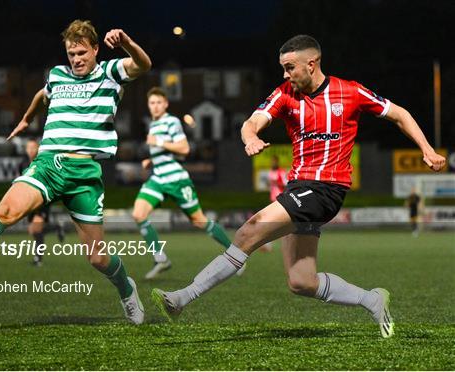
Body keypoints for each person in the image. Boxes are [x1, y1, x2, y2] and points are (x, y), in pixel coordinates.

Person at [151, 35, 446, 338]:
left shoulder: (350, 91)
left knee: (249, 230)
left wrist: (426, 148)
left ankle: (183, 298)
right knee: (301, 281)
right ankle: (372, 299)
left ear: (311, 63)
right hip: (299, 188)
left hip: (326, 190)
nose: (285, 74)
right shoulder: (285, 94)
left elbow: (399, 114)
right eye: (283, 68)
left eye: (290, 67)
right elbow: (251, 121)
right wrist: (250, 137)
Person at [0, 19, 151, 324]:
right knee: (7, 209)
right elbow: (41, 95)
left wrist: (125, 41)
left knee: (98, 258)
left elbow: (144, 64)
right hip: (47, 164)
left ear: (96, 49)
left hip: (84, 174)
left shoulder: (110, 72)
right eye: (71, 53)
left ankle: (127, 289)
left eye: (82, 53)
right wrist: (26, 118)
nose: (76, 59)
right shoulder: (58, 76)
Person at [132, 87, 237, 279]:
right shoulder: (154, 125)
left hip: (176, 179)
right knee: (138, 214)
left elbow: (184, 148)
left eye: (158, 103)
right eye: (151, 103)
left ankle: (235, 255)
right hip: (158, 177)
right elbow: (166, 152)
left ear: (165, 104)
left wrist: (159, 142)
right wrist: (151, 160)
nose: (155, 106)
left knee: (199, 221)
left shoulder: (171, 121)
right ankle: (161, 258)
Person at [18, 138, 65, 267]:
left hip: (42, 200)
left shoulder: (43, 162)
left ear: (38, 148)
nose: (31, 150)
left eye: (33, 147)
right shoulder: (23, 164)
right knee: (33, 231)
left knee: (36, 229)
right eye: (28, 147)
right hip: (29, 201)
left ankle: (38, 260)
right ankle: (57, 227)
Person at [260, 155, 288, 252]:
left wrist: (275, 183)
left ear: (277, 161)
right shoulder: (271, 172)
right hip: (273, 199)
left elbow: (286, 184)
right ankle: (268, 245)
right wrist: (269, 183)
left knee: (272, 221)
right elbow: (271, 185)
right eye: (271, 161)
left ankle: (267, 245)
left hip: (280, 198)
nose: (272, 163)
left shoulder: (282, 171)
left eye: (274, 161)